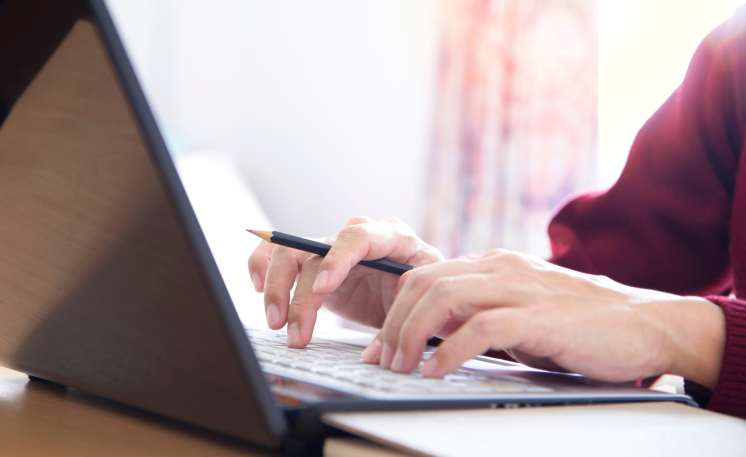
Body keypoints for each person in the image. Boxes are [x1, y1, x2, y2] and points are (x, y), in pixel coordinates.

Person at [248, 8, 746, 419]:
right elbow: (591, 296)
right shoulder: (733, 56)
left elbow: (634, 315)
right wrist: (436, 296)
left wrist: (682, 333)